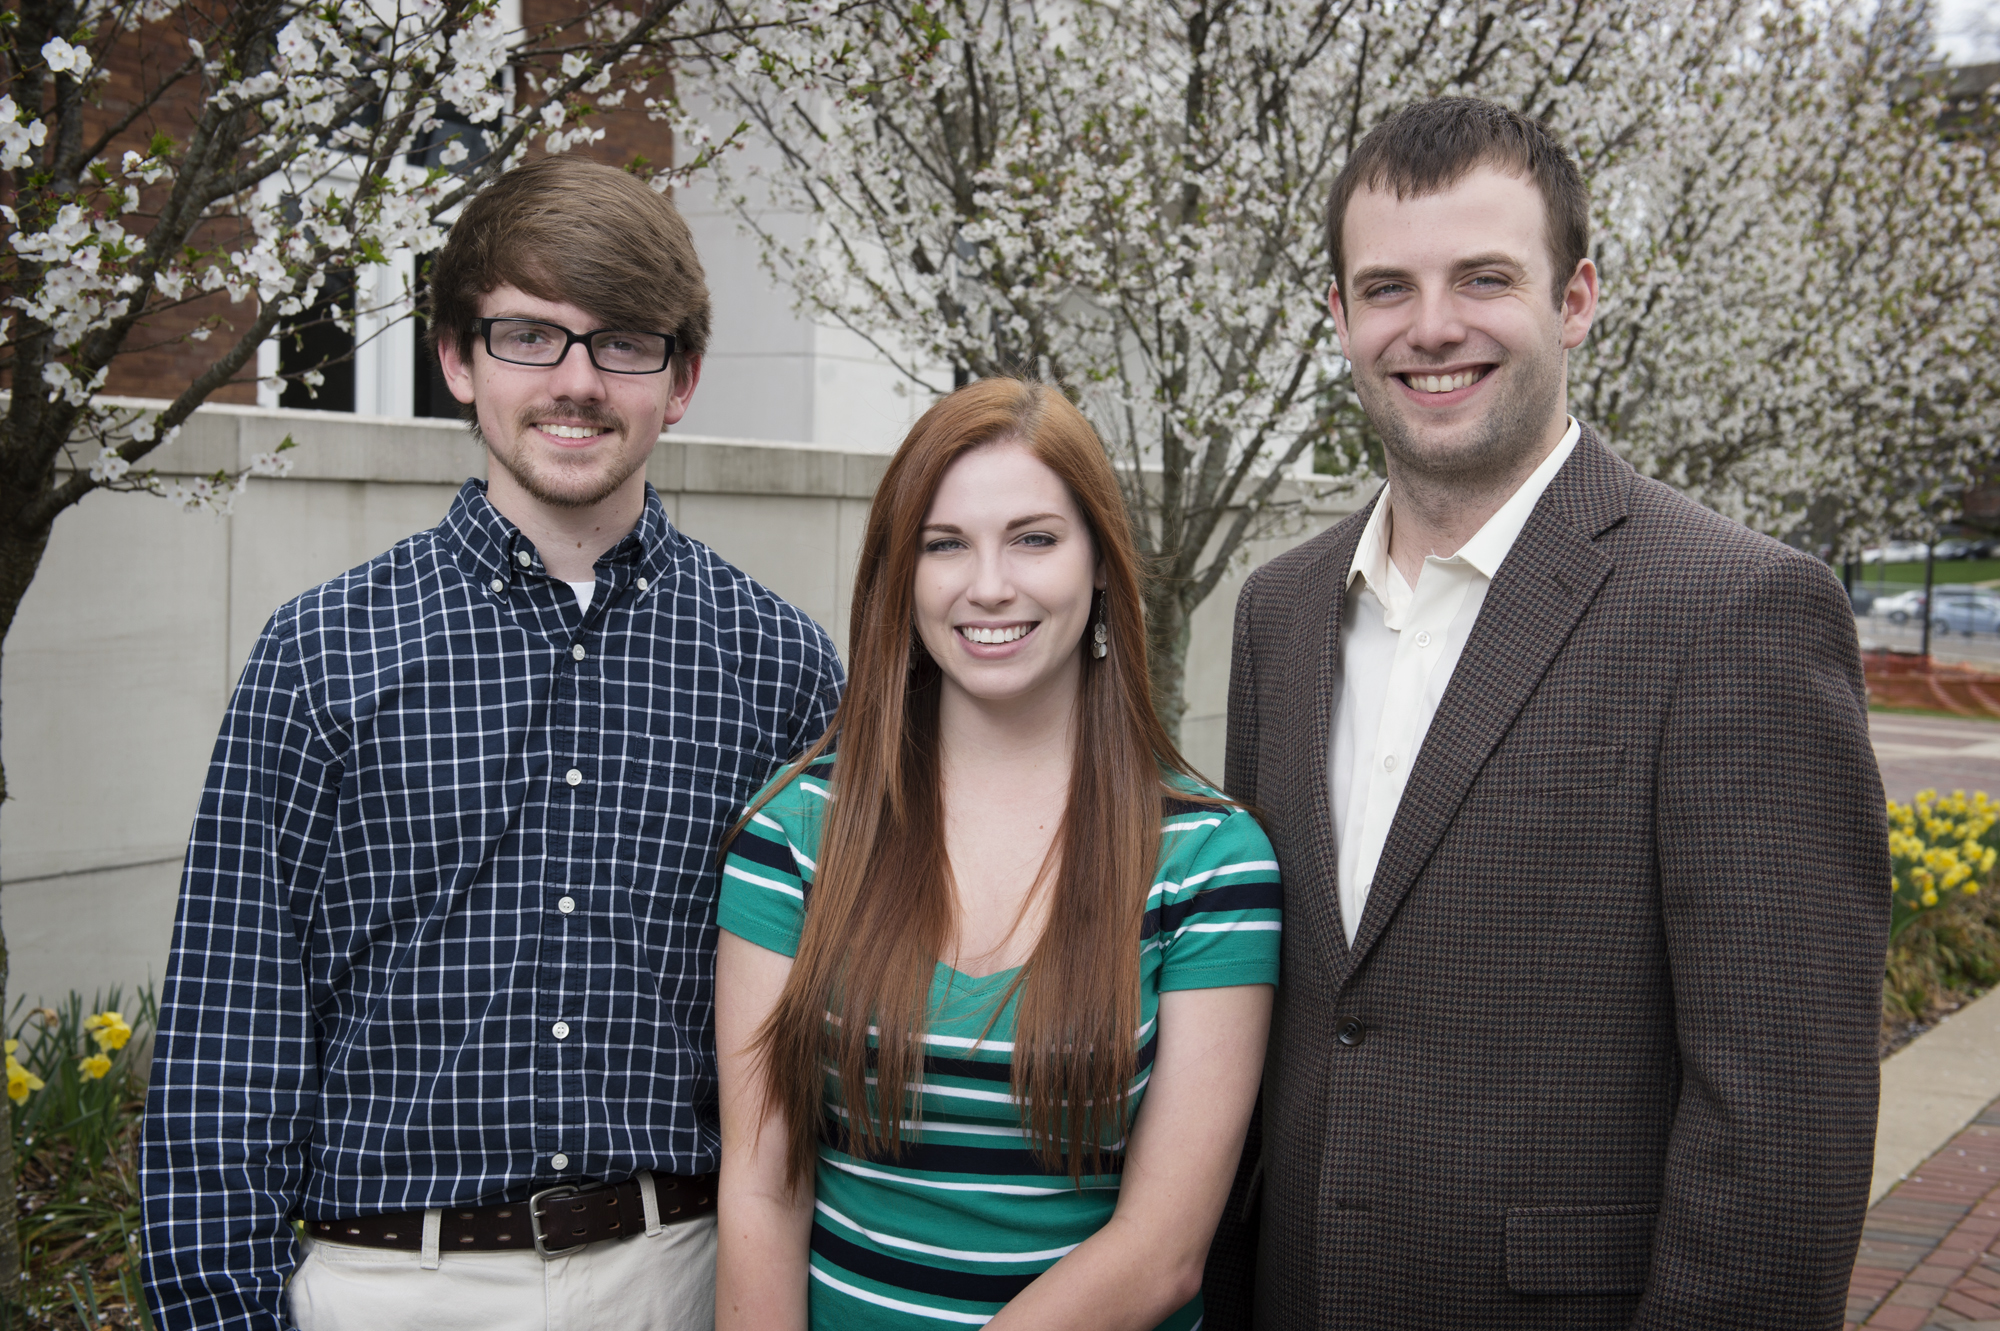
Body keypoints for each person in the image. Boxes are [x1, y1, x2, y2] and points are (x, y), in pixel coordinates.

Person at [1202, 98, 1888, 1329]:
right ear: (1337, 317)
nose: (1431, 328)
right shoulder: (1280, 610)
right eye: (1385, 287)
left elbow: (1782, 1128)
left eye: (1482, 277)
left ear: (1574, 300)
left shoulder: (1737, 611)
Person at [139, 155, 844, 1331]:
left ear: (680, 381)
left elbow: (825, 1021)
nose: (576, 382)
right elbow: (229, 1032)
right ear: (458, 359)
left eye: (623, 342)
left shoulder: (780, 665)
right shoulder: (322, 653)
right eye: (529, 336)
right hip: (388, 1283)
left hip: (677, 1273)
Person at [712, 378, 1281, 1329]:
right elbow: (765, 1191)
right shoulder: (798, 832)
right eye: (946, 544)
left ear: (1100, 561)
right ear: (902, 574)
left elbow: (1163, 1251)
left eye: (1034, 538)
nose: (988, 584)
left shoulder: (1211, 861)